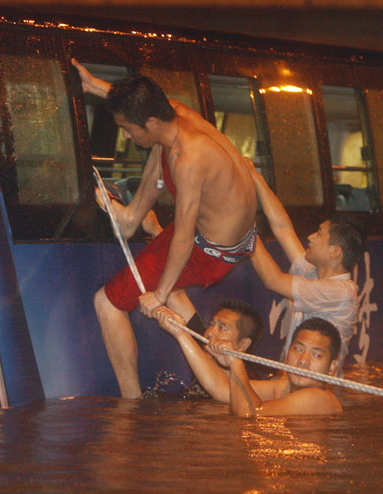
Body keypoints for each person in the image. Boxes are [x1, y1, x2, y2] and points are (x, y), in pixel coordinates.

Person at [72, 60, 257, 398]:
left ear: (151, 121)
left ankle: (131, 402)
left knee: (108, 302)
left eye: (128, 129)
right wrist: (93, 85)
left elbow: (184, 237)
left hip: (209, 249)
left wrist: (158, 295)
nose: (126, 136)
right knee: (159, 146)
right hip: (227, 236)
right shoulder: (175, 115)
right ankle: (131, 219)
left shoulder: (188, 161)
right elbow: (147, 112)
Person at [246, 161, 364, 370]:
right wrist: (257, 178)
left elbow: (273, 280)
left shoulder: (340, 292)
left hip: (313, 388)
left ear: (335, 251)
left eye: (318, 234)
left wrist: (243, 230)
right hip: (294, 377)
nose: (309, 237)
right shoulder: (313, 272)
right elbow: (283, 228)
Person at [154, 304, 342, 415]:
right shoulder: (283, 387)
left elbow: (249, 416)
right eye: (298, 349)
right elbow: (222, 390)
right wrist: (180, 334)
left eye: (316, 355)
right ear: (287, 353)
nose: (303, 360)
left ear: (332, 366)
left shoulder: (318, 397)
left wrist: (236, 363)